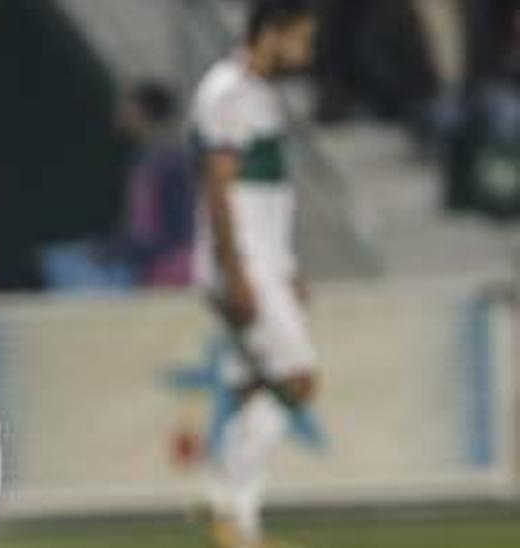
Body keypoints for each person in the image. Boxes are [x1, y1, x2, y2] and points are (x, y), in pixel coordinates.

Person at [191, 0, 318, 546]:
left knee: (253, 387)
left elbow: (265, 197)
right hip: (242, 263)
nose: (306, 51)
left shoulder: (259, 94)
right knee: (298, 379)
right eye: (302, 38)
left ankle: (238, 523)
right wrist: (236, 269)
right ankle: (227, 504)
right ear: (273, 34)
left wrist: (285, 267)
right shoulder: (227, 91)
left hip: (262, 261)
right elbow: (219, 186)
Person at [114, 81, 194, 288]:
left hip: (169, 267)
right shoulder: (155, 159)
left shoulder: (163, 162)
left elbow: (147, 226)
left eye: (127, 107)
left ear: (143, 111)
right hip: (166, 262)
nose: (120, 114)